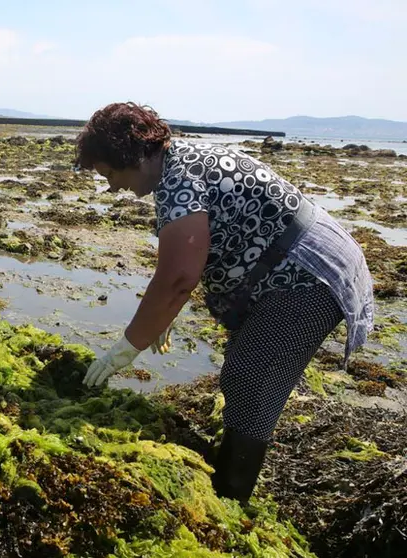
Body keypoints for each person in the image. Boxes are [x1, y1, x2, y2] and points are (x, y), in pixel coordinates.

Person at [75, 102, 374, 505]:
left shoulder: (180, 179)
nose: (112, 186)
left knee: (252, 378)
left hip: (308, 275)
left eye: (110, 174)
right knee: (245, 373)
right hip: (284, 271)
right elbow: (189, 262)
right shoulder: (179, 165)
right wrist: (164, 312)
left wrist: (126, 348)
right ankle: (232, 468)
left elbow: (179, 277)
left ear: (132, 155)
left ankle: (232, 497)